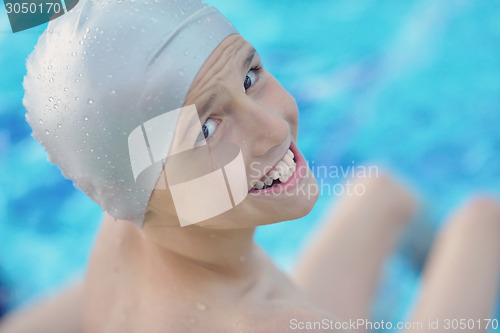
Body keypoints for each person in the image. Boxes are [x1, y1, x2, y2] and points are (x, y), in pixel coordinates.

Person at [1, 0, 500, 332]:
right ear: (138, 190)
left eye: (250, 77)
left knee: (380, 193)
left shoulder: (123, 220)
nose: (274, 130)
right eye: (206, 130)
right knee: (484, 222)